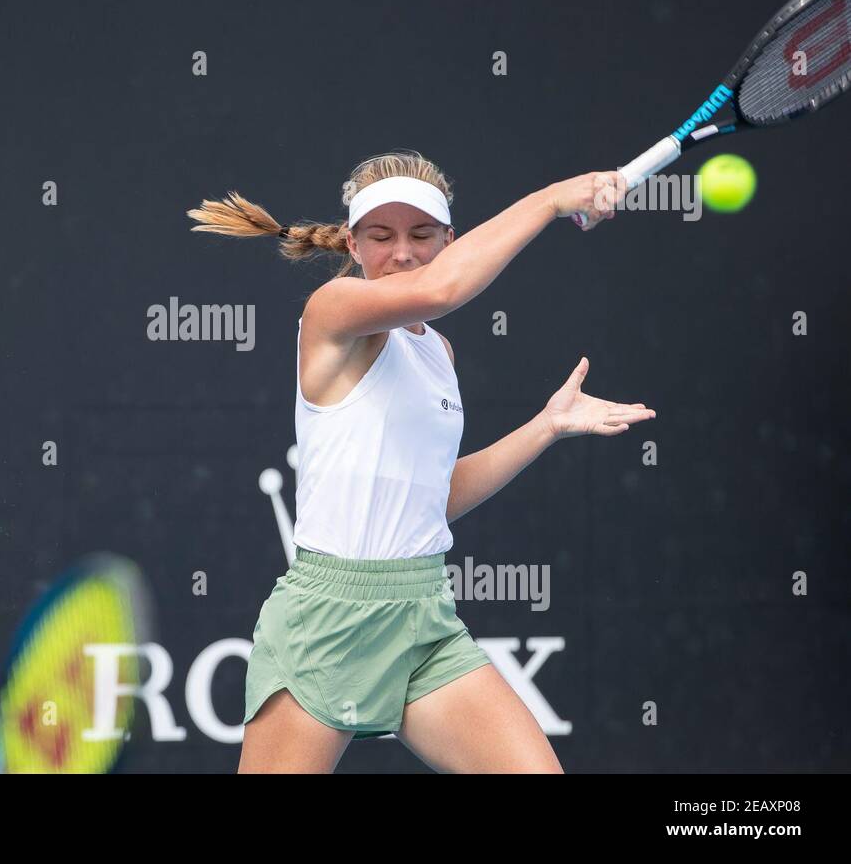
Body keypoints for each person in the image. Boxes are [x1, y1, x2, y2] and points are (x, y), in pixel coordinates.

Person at [188, 150, 655, 773]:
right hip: (328, 621)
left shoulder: (438, 352)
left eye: (421, 235)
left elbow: (434, 495)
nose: (401, 253)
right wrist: (551, 199)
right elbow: (441, 288)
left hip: (424, 618)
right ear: (353, 245)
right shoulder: (333, 308)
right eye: (381, 237)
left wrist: (546, 426)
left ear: (449, 240)